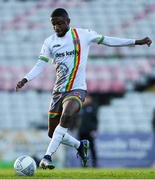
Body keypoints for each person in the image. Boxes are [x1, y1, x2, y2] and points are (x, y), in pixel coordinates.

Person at [15, 8, 152, 169]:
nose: (57, 27)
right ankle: (80, 146)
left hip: (77, 89)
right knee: (53, 134)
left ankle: (47, 157)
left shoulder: (82, 35)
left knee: (66, 116)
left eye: (60, 23)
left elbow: (108, 40)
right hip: (58, 92)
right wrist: (26, 78)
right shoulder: (49, 42)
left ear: (68, 22)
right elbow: (40, 64)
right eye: (53, 24)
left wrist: (136, 41)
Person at [77, 94, 98, 167]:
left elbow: (95, 119)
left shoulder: (92, 107)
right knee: (81, 148)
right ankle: (84, 163)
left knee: (92, 148)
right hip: (81, 131)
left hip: (89, 131)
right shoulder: (80, 108)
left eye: (87, 98)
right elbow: (77, 120)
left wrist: (94, 129)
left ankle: (94, 163)